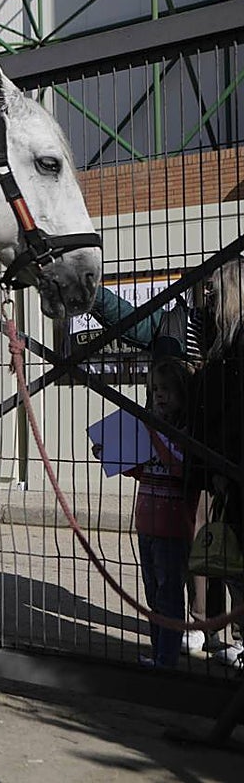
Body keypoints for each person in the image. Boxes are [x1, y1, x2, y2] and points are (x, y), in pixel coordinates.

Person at [189, 258, 244, 668]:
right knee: (221, 557)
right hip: (218, 467)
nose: (207, 297)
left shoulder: (239, 342)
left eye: (213, 290)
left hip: (232, 466)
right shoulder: (219, 338)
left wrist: (226, 467)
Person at [125, 357, 197, 667]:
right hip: (146, 521)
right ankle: (158, 654)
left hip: (172, 527)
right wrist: (118, 457)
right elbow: (144, 469)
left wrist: (154, 433)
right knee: (152, 594)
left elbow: (178, 466)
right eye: (155, 390)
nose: (159, 396)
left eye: (166, 389)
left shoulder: (186, 432)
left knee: (169, 594)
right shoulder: (152, 431)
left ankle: (167, 659)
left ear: (182, 393)